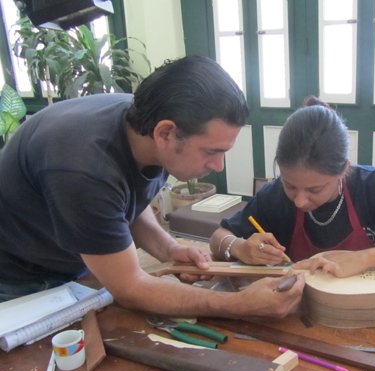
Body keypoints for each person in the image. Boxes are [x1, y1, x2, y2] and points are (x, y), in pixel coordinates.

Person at [0, 55, 304, 318]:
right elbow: (131, 288)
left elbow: (127, 201)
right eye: (212, 151)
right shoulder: (85, 169)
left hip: (74, 259)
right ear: (166, 134)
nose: (219, 166)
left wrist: (168, 247)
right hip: (19, 279)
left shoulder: (143, 127)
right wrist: (240, 304)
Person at [210, 96, 375, 277]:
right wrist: (239, 248)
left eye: (314, 190)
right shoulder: (275, 196)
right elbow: (218, 238)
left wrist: (364, 259)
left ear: (343, 169)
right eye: (291, 185)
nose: (300, 200)